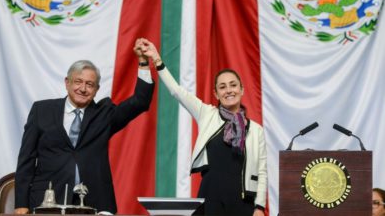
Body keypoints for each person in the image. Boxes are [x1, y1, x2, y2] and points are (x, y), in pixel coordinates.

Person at [14, 44, 155, 214]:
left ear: (96, 90)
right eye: (78, 82)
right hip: (48, 199)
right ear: (67, 82)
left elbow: (140, 101)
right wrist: (20, 204)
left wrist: (143, 62)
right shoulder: (41, 110)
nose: (83, 88)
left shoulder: (104, 114)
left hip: (94, 200)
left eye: (89, 84)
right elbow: (26, 160)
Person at [135, 38, 267, 216]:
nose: (229, 90)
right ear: (216, 94)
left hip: (243, 201)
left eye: (233, 85)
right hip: (211, 196)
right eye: (222, 87)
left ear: (242, 90)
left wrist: (259, 207)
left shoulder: (256, 130)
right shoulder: (207, 114)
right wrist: (156, 59)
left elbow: (262, 172)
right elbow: (177, 91)